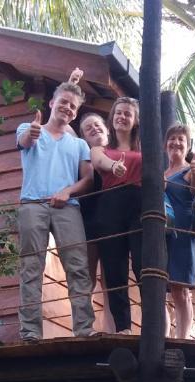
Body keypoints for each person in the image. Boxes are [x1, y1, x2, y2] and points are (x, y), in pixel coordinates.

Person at [15, 81, 95, 341]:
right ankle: (30, 332)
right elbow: (26, 141)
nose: (68, 108)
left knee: (78, 267)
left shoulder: (79, 145)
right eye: (63, 102)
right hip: (32, 205)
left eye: (73, 106)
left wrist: (68, 191)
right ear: (51, 102)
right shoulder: (28, 128)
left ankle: (84, 329)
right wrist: (34, 131)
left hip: (67, 207)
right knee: (31, 267)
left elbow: (88, 179)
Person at [90, 97, 142, 334]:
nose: (122, 117)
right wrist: (113, 166)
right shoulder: (102, 149)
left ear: (135, 120)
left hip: (140, 204)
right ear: (112, 118)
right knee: (114, 268)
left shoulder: (144, 149)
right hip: (111, 203)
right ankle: (124, 328)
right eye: (118, 113)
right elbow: (98, 161)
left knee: (144, 264)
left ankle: (151, 326)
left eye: (127, 114)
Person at [163, 124, 195, 339]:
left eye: (181, 139)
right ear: (165, 144)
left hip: (182, 232)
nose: (176, 143)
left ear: (187, 146)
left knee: (180, 289)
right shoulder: (161, 174)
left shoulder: (190, 170)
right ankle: (162, 336)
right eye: (172, 138)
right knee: (159, 287)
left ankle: (182, 339)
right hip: (162, 234)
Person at [78, 112, 115, 333]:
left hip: (114, 224)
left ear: (107, 129)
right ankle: (85, 329)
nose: (94, 129)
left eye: (97, 125)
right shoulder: (82, 159)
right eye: (88, 128)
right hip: (89, 221)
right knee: (87, 278)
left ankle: (113, 331)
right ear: (83, 137)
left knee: (111, 281)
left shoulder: (120, 153)